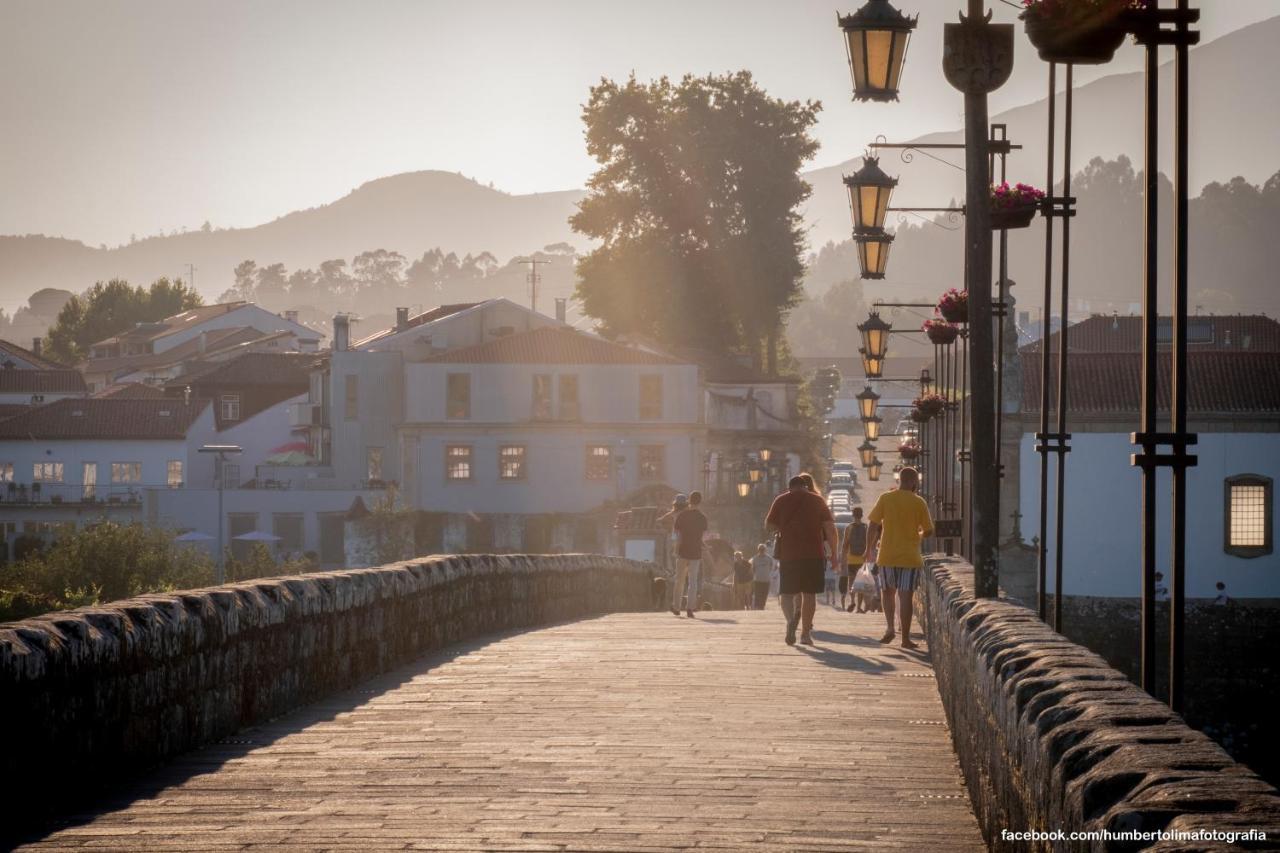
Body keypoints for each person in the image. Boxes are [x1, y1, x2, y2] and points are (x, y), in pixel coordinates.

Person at [864, 467, 933, 650]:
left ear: (899, 481)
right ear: (914, 482)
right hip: (910, 557)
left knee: (887, 593)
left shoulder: (886, 498)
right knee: (905, 597)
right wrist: (919, 534)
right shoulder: (919, 502)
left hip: (887, 555)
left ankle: (889, 628)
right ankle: (905, 639)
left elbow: (872, 525)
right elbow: (929, 530)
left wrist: (869, 548)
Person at [766, 474, 839, 646]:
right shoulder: (818, 501)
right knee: (809, 594)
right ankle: (805, 634)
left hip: (788, 554)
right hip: (813, 554)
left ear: (790, 487)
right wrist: (834, 553)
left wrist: (782, 528)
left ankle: (790, 621)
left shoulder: (781, 500)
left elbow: (768, 525)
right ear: (805, 486)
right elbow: (829, 527)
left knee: (787, 594)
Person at [670, 491, 708, 617]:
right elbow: (701, 537)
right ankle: (690, 608)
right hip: (696, 552)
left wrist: (676, 548)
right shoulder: (702, 518)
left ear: (689, 501)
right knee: (693, 582)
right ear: (700, 501)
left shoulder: (682, 516)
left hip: (682, 551)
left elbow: (677, 534)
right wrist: (704, 546)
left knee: (679, 580)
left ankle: (676, 607)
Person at [841, 507, 868, 612]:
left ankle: (852, 601)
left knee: (851, 582)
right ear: (861, 515)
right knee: (861, 583)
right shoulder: (865, 527)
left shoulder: (849, 528)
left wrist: (843, 559)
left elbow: (845, 545)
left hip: (851, 559)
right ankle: (859, 607)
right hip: (862, 560)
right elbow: (868, 543)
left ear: (853, 515)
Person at [750, 544, 774, 609]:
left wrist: (767, 573)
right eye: (760, 549)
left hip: (766, 580)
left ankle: (762, 606)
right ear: (758, 550)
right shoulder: (755, 558)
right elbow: (753, 568)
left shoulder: (769, 558)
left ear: (765, 550)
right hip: (757, 579)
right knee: (757, 594)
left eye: (763, 549)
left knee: (764, 594)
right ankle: (757, 606)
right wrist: (755, 575)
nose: (761, 550)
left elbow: (772, 567)